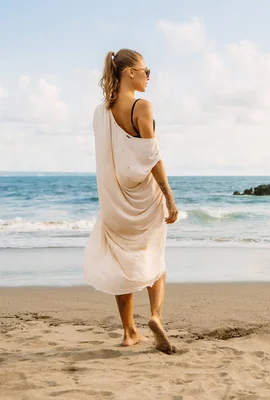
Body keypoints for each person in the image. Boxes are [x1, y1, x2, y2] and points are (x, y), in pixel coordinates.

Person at [83, 48, 178, 354]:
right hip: (144, 197)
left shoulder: (101, 112)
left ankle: (129, 332)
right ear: (129, 73)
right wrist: (169, 197)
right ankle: (155, 316)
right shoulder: (142, 107)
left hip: (114, 200)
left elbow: (107, 159)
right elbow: (152, 158)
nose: (148, 77)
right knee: (155, 257)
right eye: (145, 71)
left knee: (120, 260)